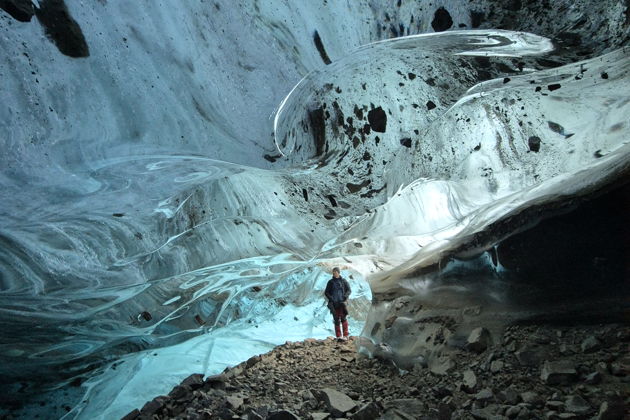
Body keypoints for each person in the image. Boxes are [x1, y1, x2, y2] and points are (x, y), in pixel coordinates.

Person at [324, 267, 351, 340]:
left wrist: (345, 296)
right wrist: (331, 298)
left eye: (335, 272)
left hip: (342, 303)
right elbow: (326, 292)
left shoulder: (343, 281)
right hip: (333, 304)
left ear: (338, 272)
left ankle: (346, 335)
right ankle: (338, 336)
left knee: (343, 318)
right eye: (333, 272)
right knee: (336, 319)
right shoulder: (330, 282)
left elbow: (349, 290)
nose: (334, 273)